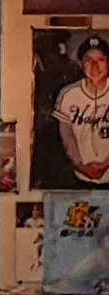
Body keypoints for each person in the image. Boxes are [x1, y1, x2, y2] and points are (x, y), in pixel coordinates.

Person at [54, 34, 109, 183]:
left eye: (101, 60)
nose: (94, 66)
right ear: (80, 64)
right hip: (80, 177)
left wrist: (105, 164)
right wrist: (80, 164)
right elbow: (66, 133)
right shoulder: (68, 94)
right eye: (88, 61)